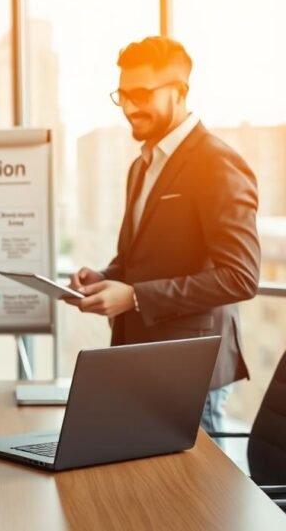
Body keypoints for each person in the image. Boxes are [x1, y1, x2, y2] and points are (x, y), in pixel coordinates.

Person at [66, 36, 259, 434]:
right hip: (141, 361)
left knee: (200, 495)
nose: (131, 107)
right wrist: (106, 277)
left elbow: (240, 277)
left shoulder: (217, 164)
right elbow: (139, 259)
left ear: (180, 91)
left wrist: (135, 297)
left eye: (141, 94)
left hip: (190, 371)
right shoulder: (142, 166)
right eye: (123, 95)